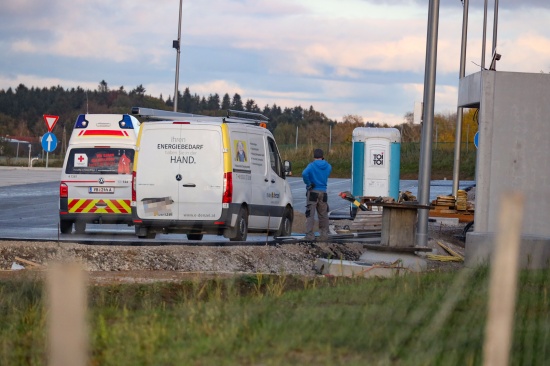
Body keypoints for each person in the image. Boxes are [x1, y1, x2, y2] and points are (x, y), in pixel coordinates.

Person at [302, 148, 332, 241]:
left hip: (313, 192)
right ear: (322, 157)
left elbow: (304, 174)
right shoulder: (328, 166)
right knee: (323, 214)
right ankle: (324, 234)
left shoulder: (311, 165)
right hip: (323, 192)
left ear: (314, 156)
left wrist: (309, 183)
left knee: (310, 214)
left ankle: (309, 235)